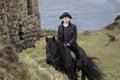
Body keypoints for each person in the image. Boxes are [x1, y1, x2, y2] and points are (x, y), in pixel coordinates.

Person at [57, 12, 82, 76]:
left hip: (71, 45)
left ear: (69, 19)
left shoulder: (73, 26)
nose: (66, 19)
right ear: (63, 19)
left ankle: (76, 70)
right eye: (65, 18)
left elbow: (74, 37)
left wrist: (69, 44)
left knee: (78, 55)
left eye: (67, 18)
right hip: (62, 46)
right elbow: (58, 37)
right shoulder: (59, 27)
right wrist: (60, 44)